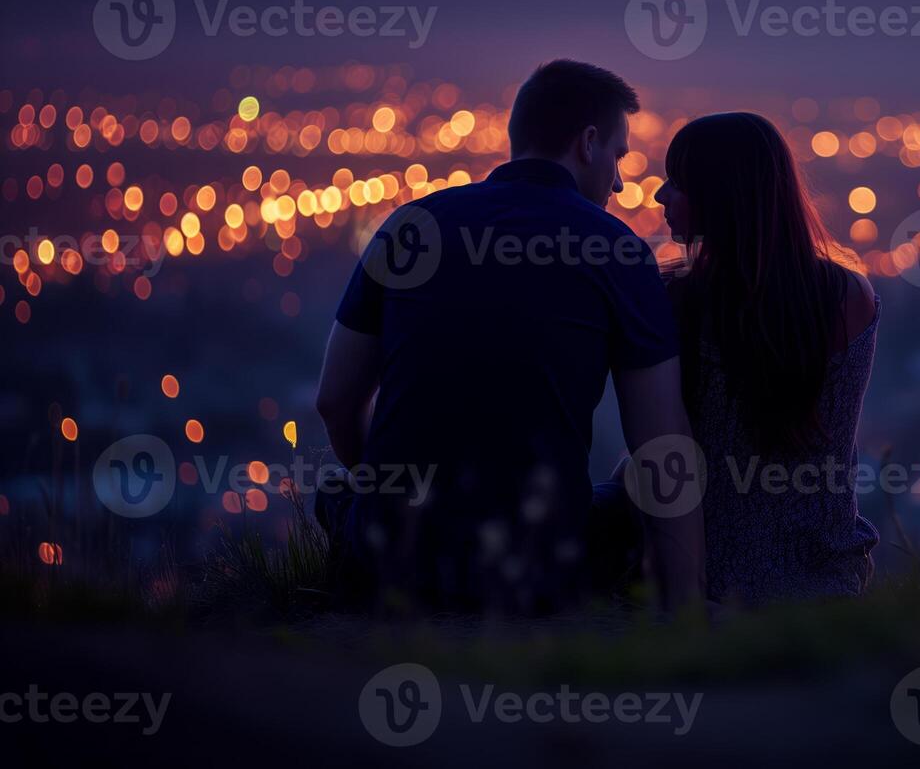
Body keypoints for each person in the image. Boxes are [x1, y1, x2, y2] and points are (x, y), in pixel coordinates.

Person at [314, 60, 704, 615]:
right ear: (587, 143)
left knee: (335, 492)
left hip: (391, 552)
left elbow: (334, 401)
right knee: (630, 485)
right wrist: (686, 606)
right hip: (540, 563)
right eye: (618, 156)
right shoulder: (616, 251)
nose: (619, 182)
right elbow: (662, 444)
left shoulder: (410, 226)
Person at [655, 112, 880, 606]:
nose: (659, 196)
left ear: (723, 195)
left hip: (709, 578)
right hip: (827, 575)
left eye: (677, 182)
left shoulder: (676, 302)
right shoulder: (848, 296)